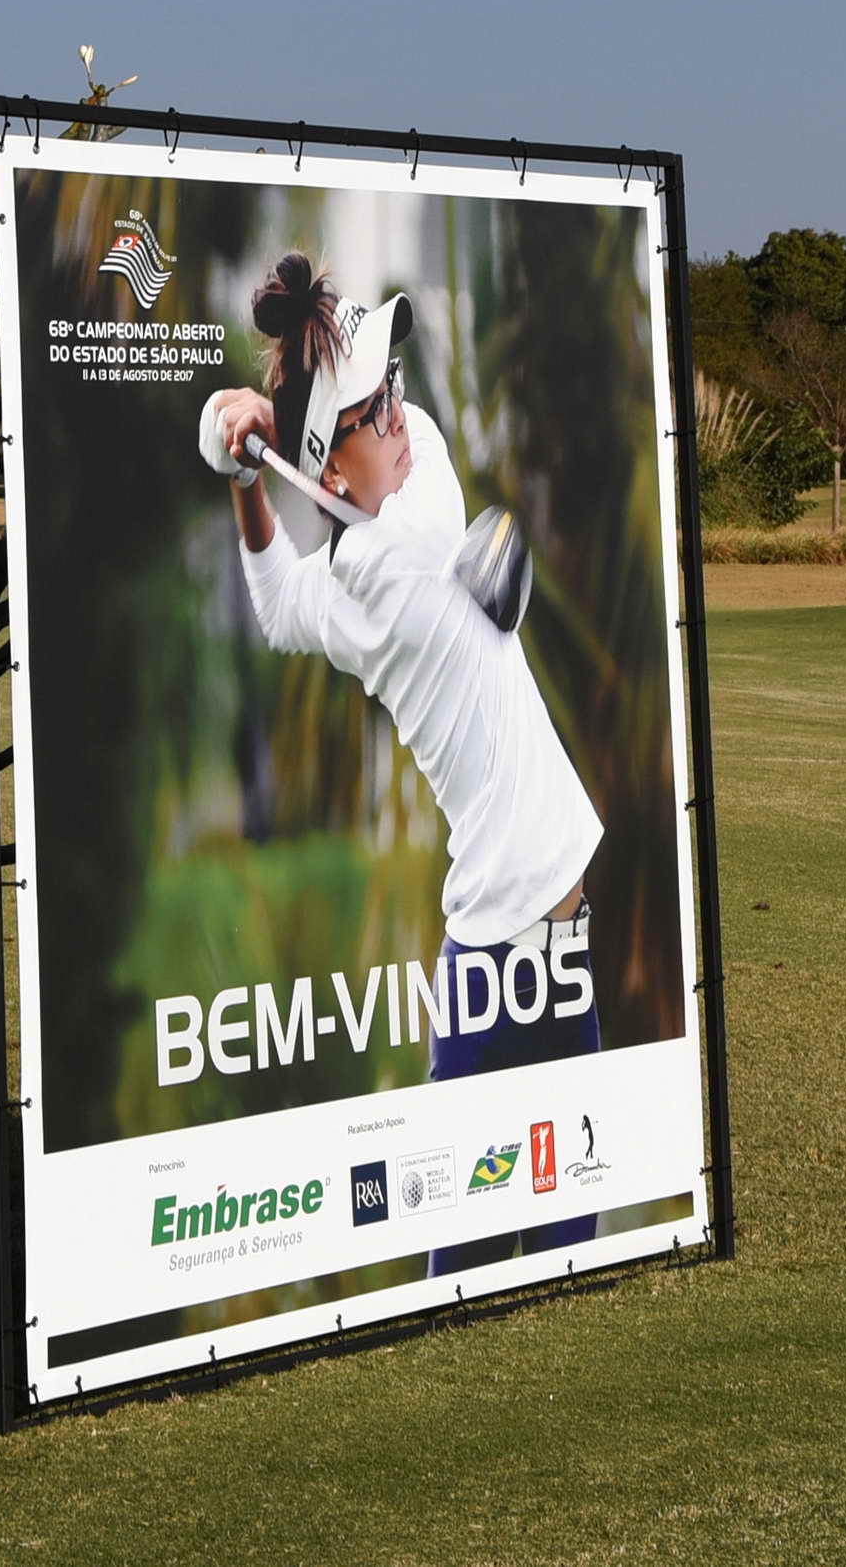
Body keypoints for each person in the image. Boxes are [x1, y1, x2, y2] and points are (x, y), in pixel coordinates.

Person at [197, 252, 600, 1275]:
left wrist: (247, 475)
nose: (400, 418)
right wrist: (271, 438)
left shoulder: (357, 564)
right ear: (332, 472)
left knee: (529, 1219)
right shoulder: (405, 544)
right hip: (509, 941)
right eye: (373, 411)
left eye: (394, 389)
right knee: (483, 1228)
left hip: (531, 926)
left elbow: (279, 603)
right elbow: (395, 470)